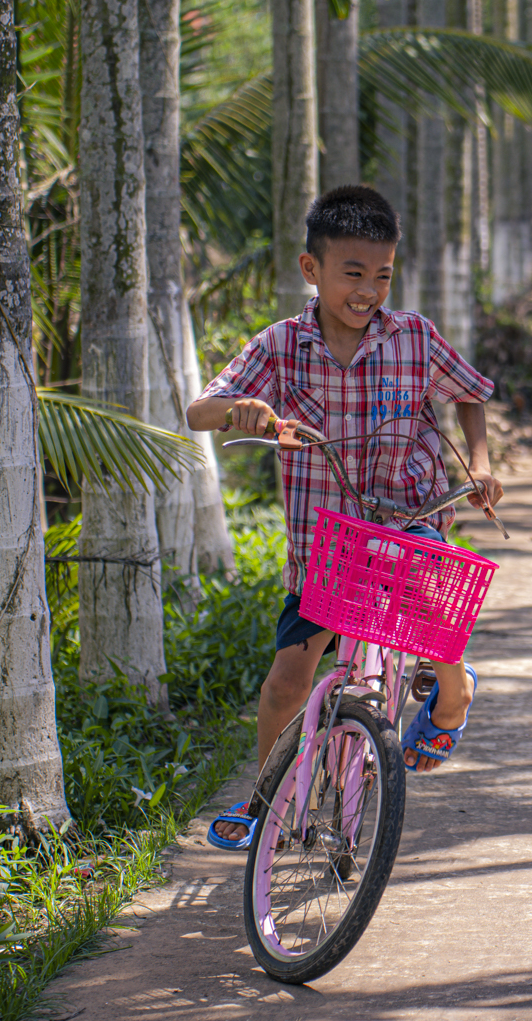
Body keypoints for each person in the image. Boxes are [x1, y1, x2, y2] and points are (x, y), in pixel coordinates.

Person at [186, 185, 504, 849]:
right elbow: (201, 409)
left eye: (381, 275)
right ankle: (269, 802)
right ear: (313, 270)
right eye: (352, 273)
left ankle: (453, 694)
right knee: (285, 685)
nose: (368, 291)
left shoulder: (413, 336)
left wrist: (477, 462)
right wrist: (246, 413)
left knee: (432, 594)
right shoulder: (280, 346)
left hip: (408, 514)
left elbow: (470, 393)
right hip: (324, 547)